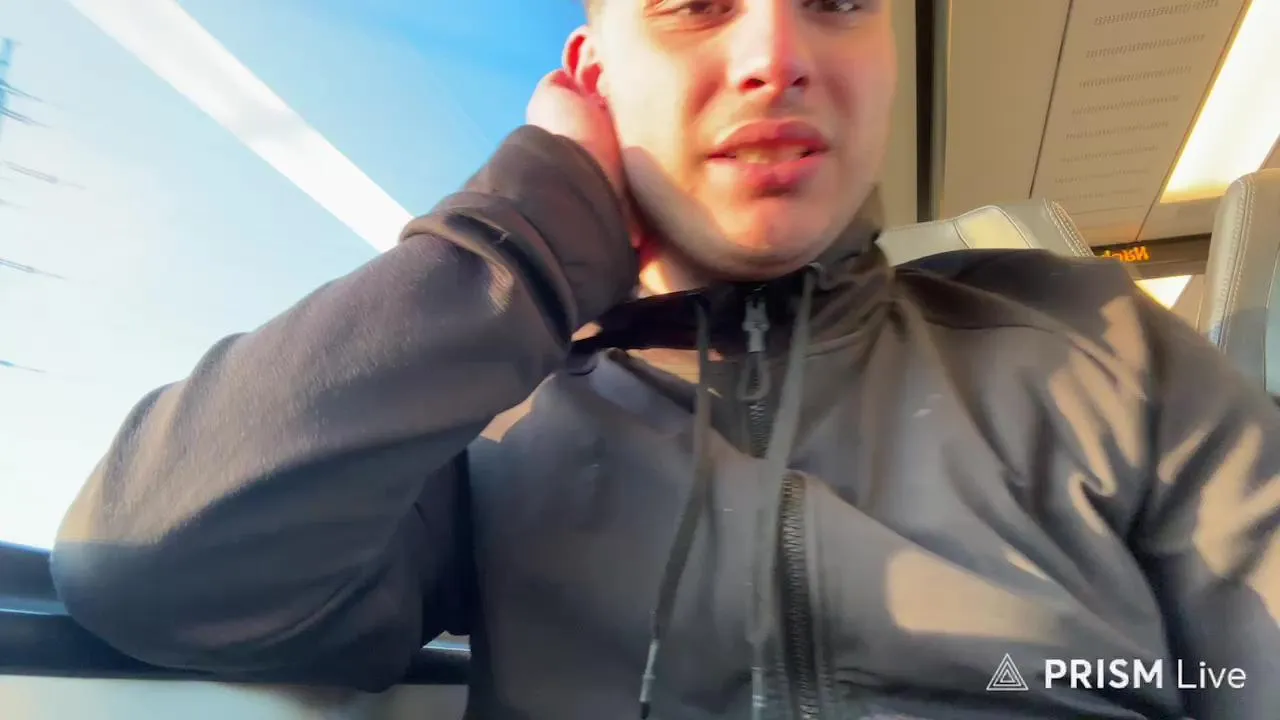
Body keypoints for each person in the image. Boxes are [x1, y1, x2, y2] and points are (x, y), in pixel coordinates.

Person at [49, 1, 1278, 718]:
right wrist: (525, 234)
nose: (776, 55)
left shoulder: (1100, 349)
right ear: (591, 81)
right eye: (694, 2)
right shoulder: (493, 432)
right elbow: (150, 565)